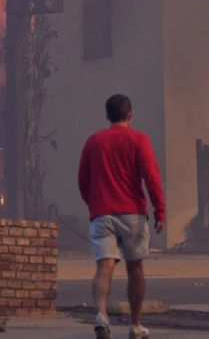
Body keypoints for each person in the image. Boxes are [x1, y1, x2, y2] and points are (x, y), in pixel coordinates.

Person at [78, 94, 165, 339]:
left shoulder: (93, 142)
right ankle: (136, 326)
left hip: (102, 214)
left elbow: (83, 180)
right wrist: (160, 210)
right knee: (135, 269)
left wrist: (93, 206)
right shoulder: (139, 140)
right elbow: (151, 176)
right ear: (130, 114)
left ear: (107, 116)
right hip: (132, 215)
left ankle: (101, 316)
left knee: (104, 268)